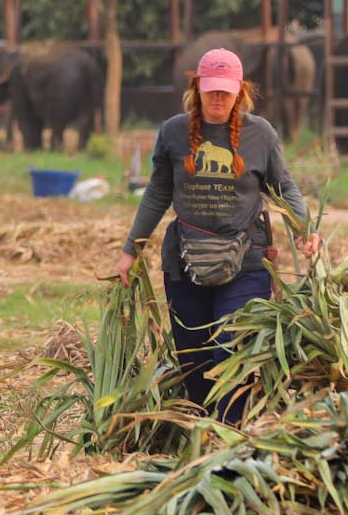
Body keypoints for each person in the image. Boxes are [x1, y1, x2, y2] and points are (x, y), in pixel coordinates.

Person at [110, 47, 320, 424]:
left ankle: (231, 434)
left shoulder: (260, 134)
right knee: (194, 360)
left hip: (247, 260)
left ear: (240, 90)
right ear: (198, 88)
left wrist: (305, 230)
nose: (219, 98)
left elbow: (284, 188)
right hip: (185, 261)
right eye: (212, 91)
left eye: (226, 90)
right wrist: (131, 250)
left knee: (230, 349)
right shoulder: (174, 132)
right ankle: (203, 433)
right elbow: (158, 192)